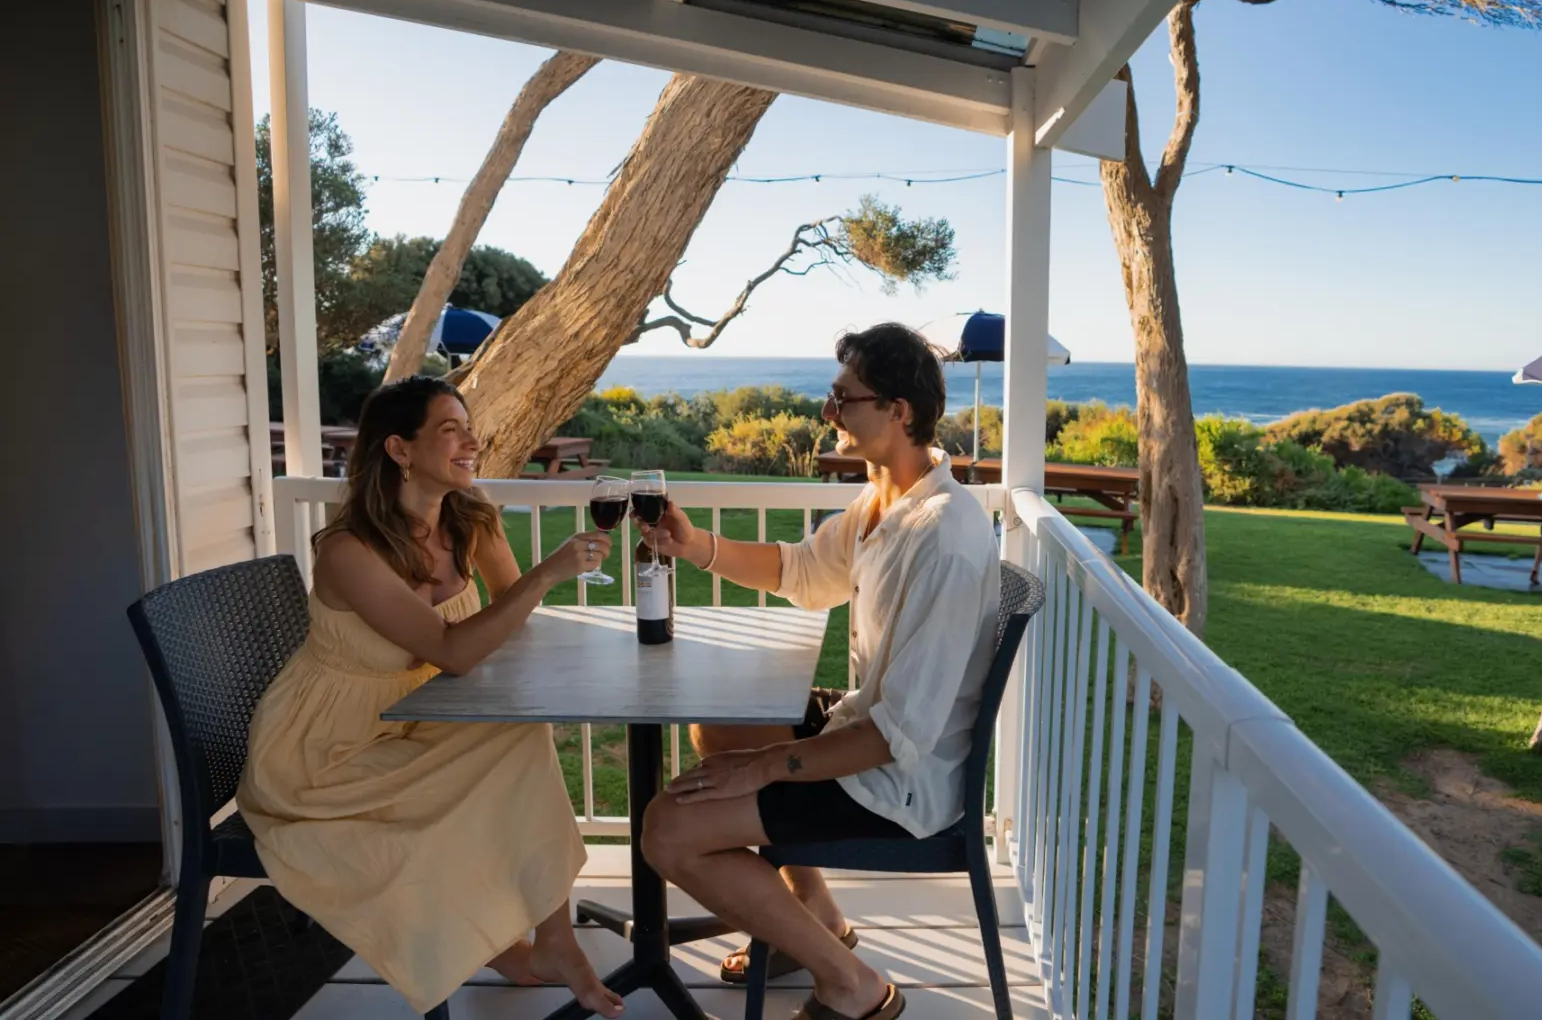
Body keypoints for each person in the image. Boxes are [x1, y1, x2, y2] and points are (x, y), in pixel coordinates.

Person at [639, 323, 1001, 1020]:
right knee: (718, 722)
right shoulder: (882, 503)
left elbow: (899, 734)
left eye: (844, 399)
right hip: (867, 727)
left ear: (898, 411)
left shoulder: (944, 539)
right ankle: (817, 912)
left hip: (901, 781)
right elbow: (801, 571)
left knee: (667, 831)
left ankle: (852, 985)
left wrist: (772, 764)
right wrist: (696, 545)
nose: (828, 413)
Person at [236, 377, 624, 1018]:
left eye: (469, 427)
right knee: (496, 764)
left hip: (418, 717)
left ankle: (551, 941)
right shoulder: (349, 551)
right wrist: (550, 571)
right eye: (451, 430)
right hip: (327, 749)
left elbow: (507, 615)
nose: (474, 442)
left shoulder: (471, 520)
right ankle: (508, 944)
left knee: (517, 736)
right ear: (399, 449)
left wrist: (530, 595)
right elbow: (453, 650)